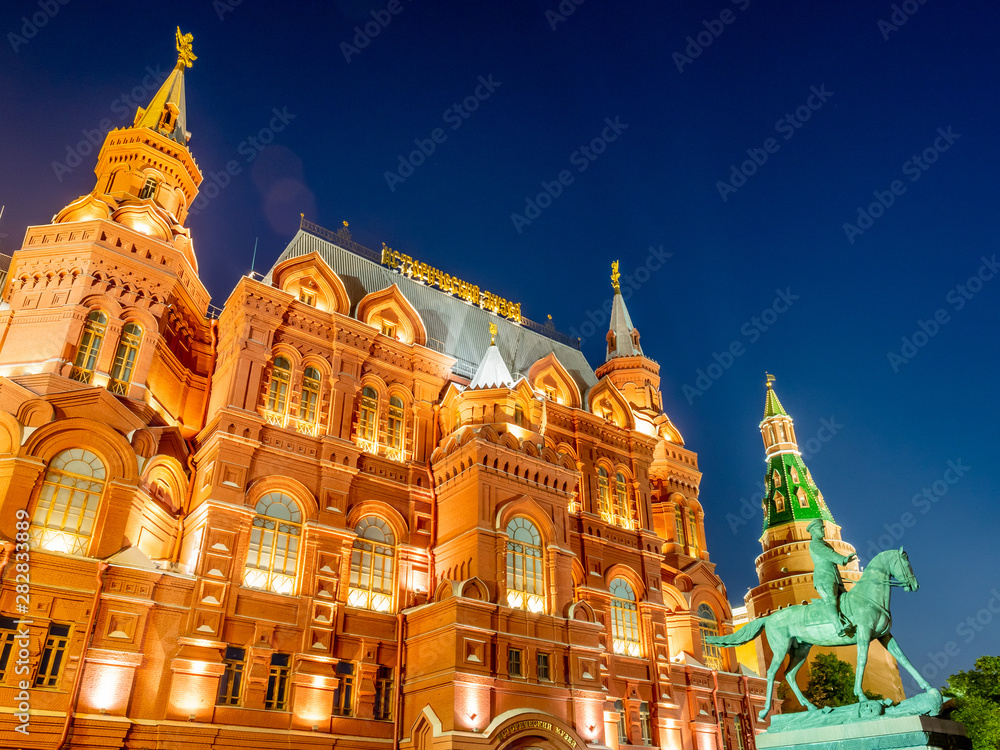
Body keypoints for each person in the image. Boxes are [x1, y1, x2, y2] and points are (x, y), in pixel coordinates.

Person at [807, 519, 856, 636]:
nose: (823, 530)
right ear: (813, 531)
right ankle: (838, 627)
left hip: (835, 577)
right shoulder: (815, 544)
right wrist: (843, 560)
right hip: (823, 578)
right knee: (830, 600)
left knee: (845, 599)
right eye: (821, 528)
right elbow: (828, 554)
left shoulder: (825, 543)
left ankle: (848, 620)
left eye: (823, 528)